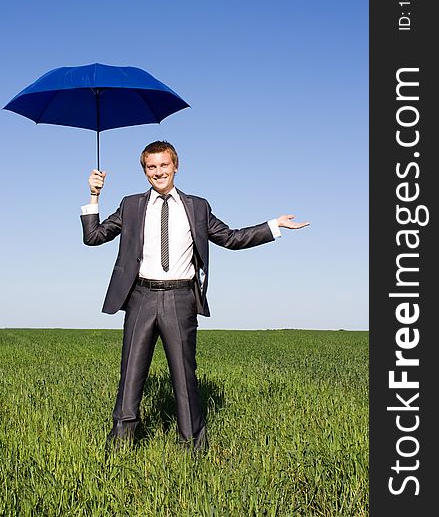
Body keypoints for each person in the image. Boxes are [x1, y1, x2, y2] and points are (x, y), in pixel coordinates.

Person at [81, 140, 309, 451]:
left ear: (175, 166)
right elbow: (93, 238)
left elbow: (231, 238)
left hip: (180, 299)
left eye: (164, 165)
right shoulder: (130, 205)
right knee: (131, 374)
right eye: (152, 167)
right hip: (141, 298)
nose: (158, 172)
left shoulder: (197, 206)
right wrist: (94, 195)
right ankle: (120, 446)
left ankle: (192, 447)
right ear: (144, 171)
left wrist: (273, 226)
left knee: (185, 377)